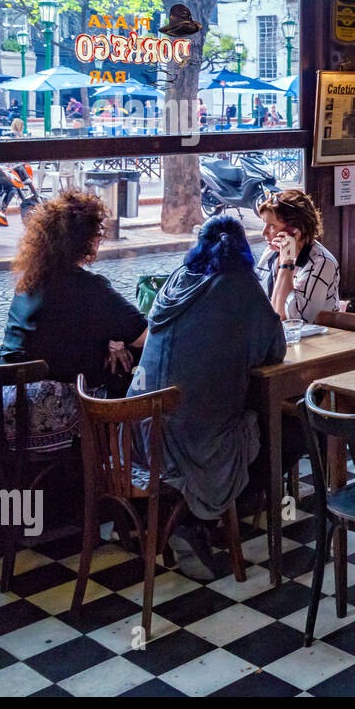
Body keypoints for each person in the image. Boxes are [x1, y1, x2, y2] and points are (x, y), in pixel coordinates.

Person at [131, 216, 285, 575]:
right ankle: (202, 523)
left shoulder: (177, 280)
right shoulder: (242, 286)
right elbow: (274, 349)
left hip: (135, 432)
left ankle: (187, 518)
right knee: (276, 432)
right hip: (190, 442)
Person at [0, 190, 148, 449]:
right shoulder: (90, 288)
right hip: (42, 417)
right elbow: (144, 337)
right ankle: (116, 468)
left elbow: (64, 331)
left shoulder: (30, 280)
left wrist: (112, 340)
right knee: (126, 370)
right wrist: (118, 340)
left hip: (2, 409)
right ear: (88, 242)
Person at [254, 189, 340, 322]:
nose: (263, 233)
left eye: (271, 226)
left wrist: (286, 263)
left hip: (315, 341)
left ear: (295, 230)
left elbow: (290, 319)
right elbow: (258, 304)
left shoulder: (321, 263)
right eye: (264, 224)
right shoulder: (270, 253)